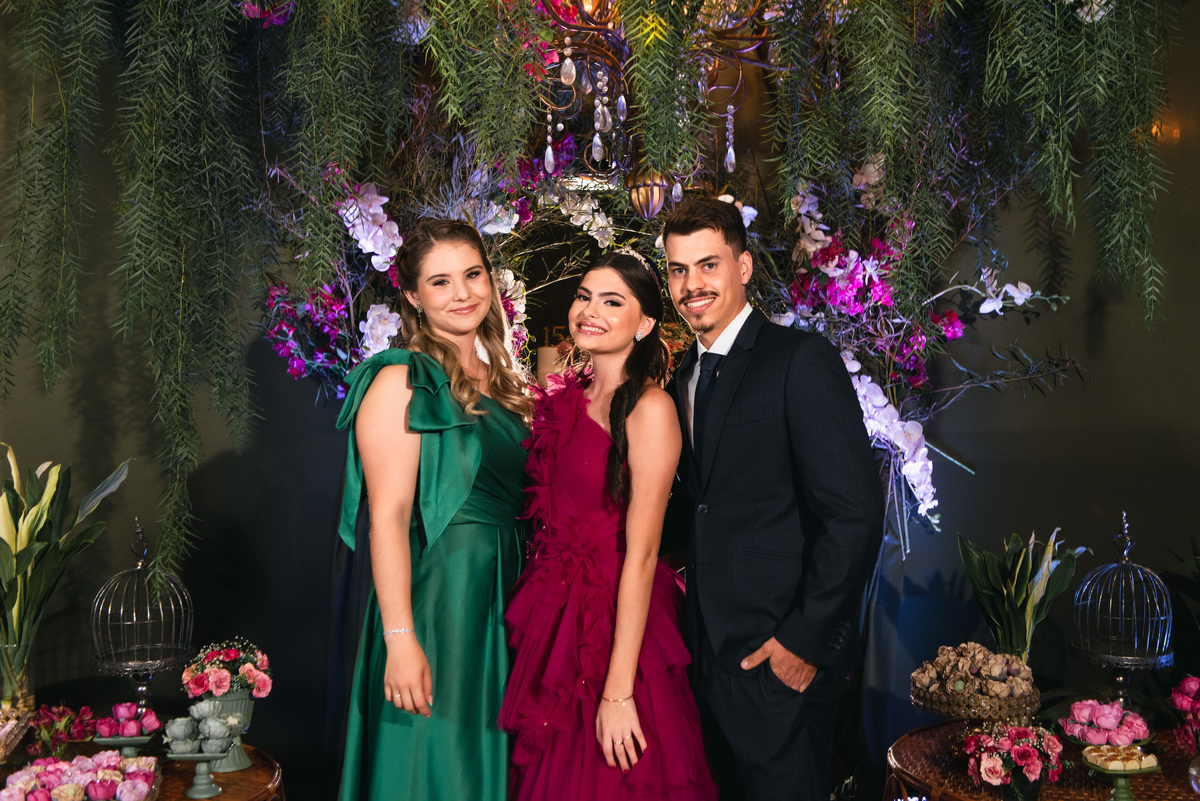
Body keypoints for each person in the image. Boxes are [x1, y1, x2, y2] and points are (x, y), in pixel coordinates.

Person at [661, 197, 885, 801]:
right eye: (679, 270)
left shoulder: (799, 359)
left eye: (708, 265)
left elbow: (855, 513)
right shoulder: (682, 376)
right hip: (706, 659)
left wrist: (803, 645)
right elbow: (700, 508)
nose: (692, 284)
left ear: (743, 266)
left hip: (779, 658)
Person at [499, 252, 718, 801]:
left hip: (616, 610)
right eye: (584, 296)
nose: (590, 311)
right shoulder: (564, 396)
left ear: (644, 324)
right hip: (554, 607)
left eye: (612, 301)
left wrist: (618, 692)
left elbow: (642, 555)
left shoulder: (651, 409)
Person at [335, 218, 532, 801]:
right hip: (442, 600)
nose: (462, 293)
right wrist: (400, 638)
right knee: (437, 762)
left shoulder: (503, 381)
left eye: (473, 275)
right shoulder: (402, 378)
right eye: (441, 282)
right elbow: (389, 517)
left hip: (509, 593)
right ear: (414, 297)